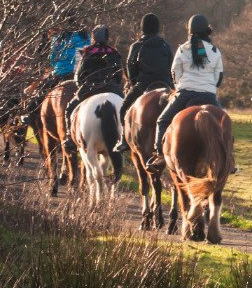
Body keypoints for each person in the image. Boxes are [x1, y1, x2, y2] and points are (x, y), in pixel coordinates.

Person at [146, 14, 224, 171]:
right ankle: (227, 158)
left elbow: (175, 73)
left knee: (162, 121)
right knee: (224, 124)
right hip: (208, 95)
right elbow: (218, 77)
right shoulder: (215, 51)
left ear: (190, 31)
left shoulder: (182, 49)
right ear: (207, 31)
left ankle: (160, 156)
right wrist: (209, 87)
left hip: (185, 94)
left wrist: (180, 85)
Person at [111, 13, 174, 153]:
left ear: (142, 28)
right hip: (166, 84)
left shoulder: (137, 46)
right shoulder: (166, 45)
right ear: (158, 28)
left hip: (144, 85)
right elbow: (172, 65)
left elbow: (129, 66)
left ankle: (123, 139)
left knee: (123, 108)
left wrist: (134, 82)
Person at [62, 25, 124, 149]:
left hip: (89, 88)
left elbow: (79, 76)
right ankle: (127, 136)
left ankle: (69, 136)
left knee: (70, 108)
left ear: (93, 37)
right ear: (107, 37)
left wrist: (81, 85)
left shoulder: (87, 52)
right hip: (111, 88)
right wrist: (116, 86)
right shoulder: (114, 52)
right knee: (126, 107)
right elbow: (119, 74)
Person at [22, 20, 90, 124]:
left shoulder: (58, 38)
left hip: (62, 73)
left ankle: (30, 115)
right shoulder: (85, 36)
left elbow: (52, 59)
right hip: (81, 75)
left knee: (40, 93)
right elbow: (86, 55)